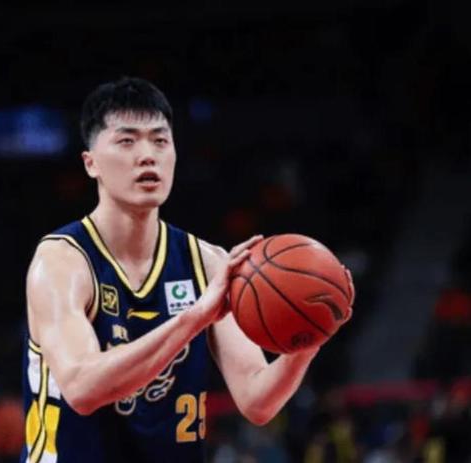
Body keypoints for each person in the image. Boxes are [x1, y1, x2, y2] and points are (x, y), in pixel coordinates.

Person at [21, 77, 353, 463]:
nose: (147, 155)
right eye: (127, 141)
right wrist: (195, 317)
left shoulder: (208, 263)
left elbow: (257, 401)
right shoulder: (61, 262)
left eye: (160, 141)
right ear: (90, 163)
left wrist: (309, 337)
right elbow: (82, 388)